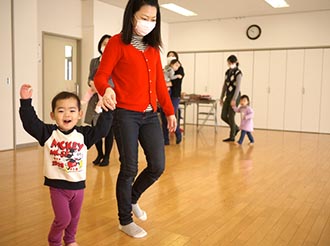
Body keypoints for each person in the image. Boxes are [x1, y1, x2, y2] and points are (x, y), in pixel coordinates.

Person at [93, 0, 176, 239]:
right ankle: (125, 220)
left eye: (153, 19)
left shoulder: (152, 49)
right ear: (131, 16)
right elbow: (102, 75)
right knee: (129, 167)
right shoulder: (117, 43)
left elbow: (160, 84)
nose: (149, 23)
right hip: (125, 114)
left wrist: (169, 111)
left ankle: (131, 198)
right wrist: (105, 89)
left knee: (157, 166)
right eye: (144, 17)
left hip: (150, 115)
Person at [19, 84, 113, 246]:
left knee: (74, 218)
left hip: (78, 187)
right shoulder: (48, 133)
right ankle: (54, 241)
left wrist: (108, 109)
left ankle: (70, 240)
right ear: (53, 115)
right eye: (61, 111)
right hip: (58, 187)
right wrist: (26, 102)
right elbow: (30, 123)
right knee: (63, 219)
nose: (67, 114)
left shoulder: (83, 135)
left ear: (79, 114)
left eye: (72, 110)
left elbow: (102, 131)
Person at [85, 34, 114, 166]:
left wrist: (104, 89)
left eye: (109, 43)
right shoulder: (94, 61)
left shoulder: (116, 60)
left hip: (109, 99)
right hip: (95, 97)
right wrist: (95, 87)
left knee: (108, 129)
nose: (106, 45)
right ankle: (99, 155)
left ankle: (107, 156)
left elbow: (115, 82)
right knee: (95, 127)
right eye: (104, 43)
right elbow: (90, 79)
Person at [160, 51, 185, 145]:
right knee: (163, 116)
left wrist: (166, 84)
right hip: (165, 94)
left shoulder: (179, 69)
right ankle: (165, 139)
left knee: (171, 114)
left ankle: (178, 133)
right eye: (169, 56)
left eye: (173, 56)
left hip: (174, 95)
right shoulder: (166, 68)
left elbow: (175, 82)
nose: (170, 58)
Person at [220, 55, 242, 142]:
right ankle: (235, 128)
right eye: (228, 63)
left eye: (231, 63)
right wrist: (221, 97)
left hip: (235, 96)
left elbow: (238, 87)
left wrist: (234, 99)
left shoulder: (238, 73)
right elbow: (225, 85)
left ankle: (232, 136)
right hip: (228, 95)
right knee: (224, 116)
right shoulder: (227, 72)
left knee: (231, 116)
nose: (229, 64)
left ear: (235, 62)